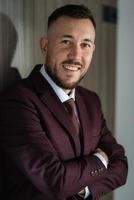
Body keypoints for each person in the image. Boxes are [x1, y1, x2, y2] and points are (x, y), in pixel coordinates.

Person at [0, 4, 128, 200]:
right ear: (45, 46)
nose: (76, 55)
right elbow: (56, 182)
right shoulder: (18, 101)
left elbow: (121, 167)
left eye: (85, 44)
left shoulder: (91, 100)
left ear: (92, 50)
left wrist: (84, 189)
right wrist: (100, 160)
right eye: (66, 41)